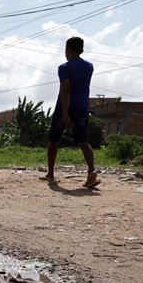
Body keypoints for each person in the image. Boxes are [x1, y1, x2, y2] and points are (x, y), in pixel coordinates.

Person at [40, 37, 99, 188]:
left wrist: (65, 114)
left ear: (68, 49)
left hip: (65, 107)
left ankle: (51, 173)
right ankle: (91, 171)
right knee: (83, 141)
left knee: (54, 140)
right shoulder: (89, 66)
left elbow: (66, 90)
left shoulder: (64, 68)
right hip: (82, 107)